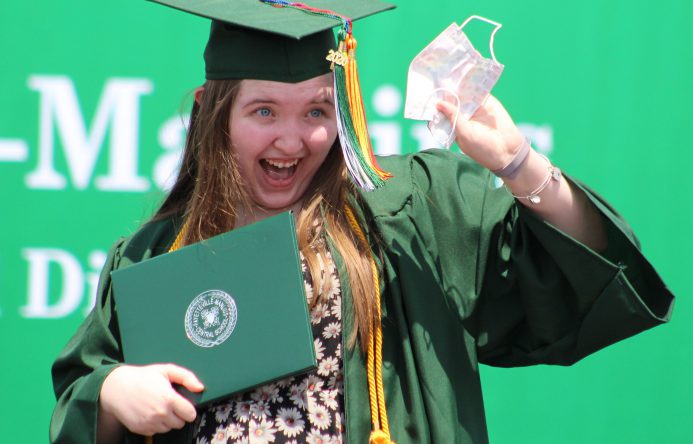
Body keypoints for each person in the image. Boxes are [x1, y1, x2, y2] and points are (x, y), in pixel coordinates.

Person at [49, 1, 674, 443]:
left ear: (345, 110)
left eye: (317, 110)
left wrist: (518, 164)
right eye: (264, 110)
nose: (292, 140)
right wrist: (110, 397)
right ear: (212, 116)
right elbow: (85, 391)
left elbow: (581, 281)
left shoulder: (412, 213)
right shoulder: (155, 254)